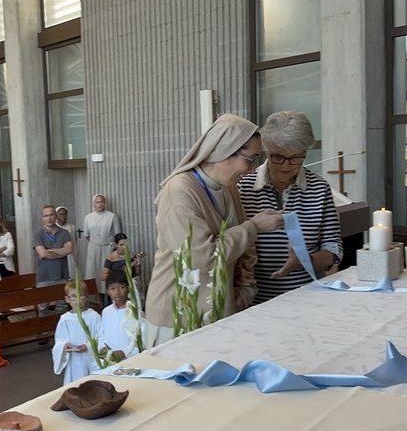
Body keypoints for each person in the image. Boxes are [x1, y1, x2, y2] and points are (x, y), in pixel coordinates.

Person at [145, 113, 283, 346]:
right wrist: (254, 226)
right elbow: (201, 257)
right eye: (250, 160)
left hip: (218, 305)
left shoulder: (228, 188)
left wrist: (244, 283)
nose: (252, 170)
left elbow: (245, 246)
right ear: (224, 151)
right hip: (178, 312)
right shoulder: (180, 191)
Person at [238, 111, 343, 303]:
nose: (286, 166)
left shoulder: (319, 188)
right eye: (278, 157)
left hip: (306, 298)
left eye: (296, 158)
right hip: (255, 302)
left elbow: (333, 247)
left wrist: (306, 261)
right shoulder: (243, 187)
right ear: (266, 150)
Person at [52, 280, 101, 384]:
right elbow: (59, 339)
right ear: (67, 299)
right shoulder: (65, 319)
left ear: (87, 296)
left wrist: (87, 346)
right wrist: (64, 346)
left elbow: (101, 337)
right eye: (73, 297)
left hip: (90, 359)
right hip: (73, 360)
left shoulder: (94, 316)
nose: (77, 300)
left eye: (81, 296)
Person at [83, 194, 121, 295]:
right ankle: (93, 295)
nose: (100, 204)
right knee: (93, 271)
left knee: (107, 271)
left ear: (105, 203)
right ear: (94, 204)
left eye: (102, 202)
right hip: (93, 248)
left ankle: (108, 294)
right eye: (97, 202)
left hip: (108, 248)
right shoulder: (88, 217)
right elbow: (86, 235)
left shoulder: (112, 216)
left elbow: (117, 234)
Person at [99, 270, 140, 362]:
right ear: (107, 291)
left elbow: (140, 341)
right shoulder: (106, 312)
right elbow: (101, 335)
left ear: (128, 288)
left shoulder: (135, 312)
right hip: (109, 359)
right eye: (112, 288)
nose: (117, 292)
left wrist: (124, 352)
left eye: (122, 287)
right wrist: (103, 350)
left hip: (129, 360)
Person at [33, 206, 72, 288]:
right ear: (42, 218)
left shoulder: (65, 232)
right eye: (46, 216)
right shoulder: (38, 234)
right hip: (44, 277)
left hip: (62, 275)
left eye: (51, 215)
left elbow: (69, 250)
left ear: (56, 216)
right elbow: (43, 254)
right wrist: (61, 252)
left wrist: (49, 251)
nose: (49, 218)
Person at [55, 206, 77, 279]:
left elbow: (75, 241)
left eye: (65, 214)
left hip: (70, 257)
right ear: (56, 215)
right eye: (60, 214)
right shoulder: (53, 227)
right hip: (58, 256)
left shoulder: (72, 227)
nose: (63, 216)